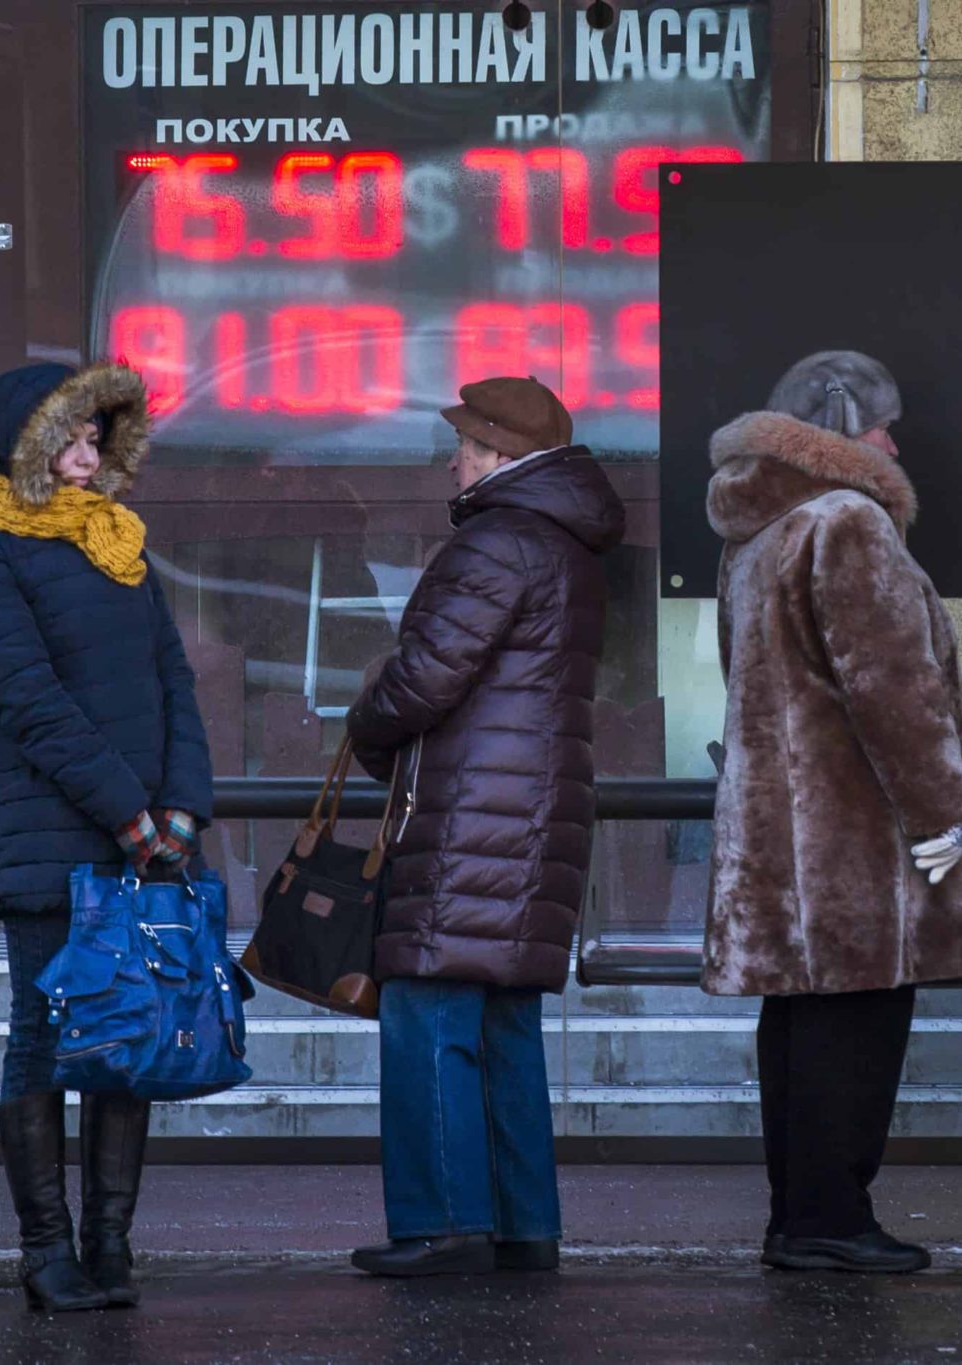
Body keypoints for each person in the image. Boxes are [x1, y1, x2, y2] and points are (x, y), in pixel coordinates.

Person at [704, 351, 962, 1275]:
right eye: (883, 425)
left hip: (778, 830)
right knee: (860, 1019)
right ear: (840, 426)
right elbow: (892, 691)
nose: (893, 444)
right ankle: (832, 1216)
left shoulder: (756, 534)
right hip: (853, 833)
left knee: (799, 1018)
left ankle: (800, 1215)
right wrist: (942, 816)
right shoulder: (847, 521)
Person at [343, 377, 626, 1277]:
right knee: (504, 1023)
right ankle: (522, 1224)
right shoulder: (567, 545)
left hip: (473, 814)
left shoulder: (498, 541)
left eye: (467, 447)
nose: (455, 462)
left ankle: (442, 1222)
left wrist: (365, 727)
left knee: (426, 1010)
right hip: (534, 816)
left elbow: (425, 676)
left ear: (504, 456)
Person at [0, 362, 212, 1312]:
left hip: (143, 843)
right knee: (44, 1040)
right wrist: (128, 813)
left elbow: (175, 681)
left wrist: (182, 807)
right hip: (51, 846)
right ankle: (46, 1250)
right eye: (69, 438)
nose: (88, 455)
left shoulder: (120, 543)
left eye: (96, 438)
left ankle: (111, 1245)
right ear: (26, 448)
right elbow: (33, 704)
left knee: (126, 1040)